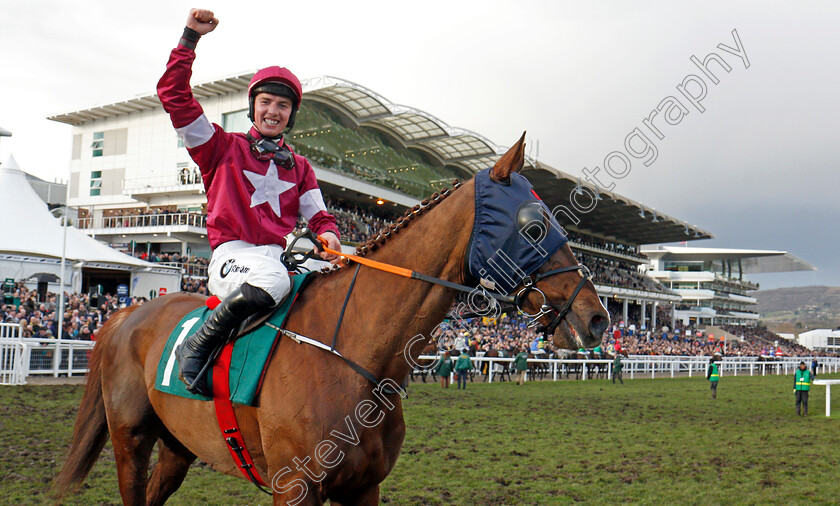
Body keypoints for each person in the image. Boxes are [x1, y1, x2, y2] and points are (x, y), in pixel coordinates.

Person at [158, 9, 342, 396]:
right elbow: (173, 96)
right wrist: (190, 38)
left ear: (291, 116)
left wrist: (330, 237)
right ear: (253, 105)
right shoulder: (219, 147)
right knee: (274, 280)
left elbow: (320, 217)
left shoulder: (302, 167)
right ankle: (198, 345)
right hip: (232, 257)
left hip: (274, 259)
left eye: (283, 106)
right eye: (266, 102)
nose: (273, 111)